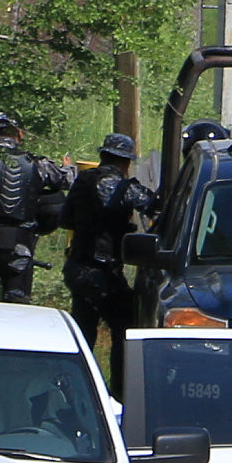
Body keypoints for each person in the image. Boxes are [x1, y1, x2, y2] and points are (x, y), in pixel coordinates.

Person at [60, 134, 159, 357]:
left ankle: (78, 385)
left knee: (82, 336)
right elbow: (154, 205)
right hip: (105, 272)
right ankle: (120, 387)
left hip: (79, 268)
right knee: (124, 332)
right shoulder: (124, 187)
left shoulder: (82, 181)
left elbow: (64, 220)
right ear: (124, 162)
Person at [0, 117, 67, 303]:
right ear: (19, 135)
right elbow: (67, 180)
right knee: (19, 305)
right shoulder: (37, 163)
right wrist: (68, 166)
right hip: (20, 245)